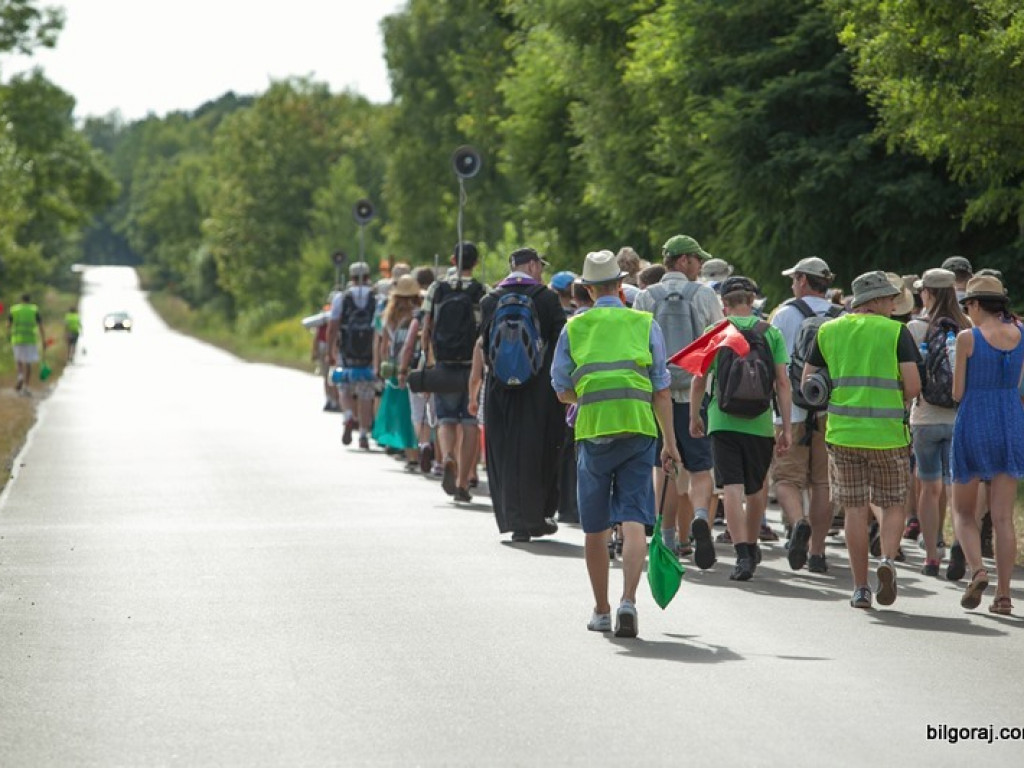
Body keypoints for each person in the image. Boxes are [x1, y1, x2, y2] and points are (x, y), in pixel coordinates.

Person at [551, 250, 682, 638]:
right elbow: (661, 390)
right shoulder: (644, 323)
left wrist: (589, 396)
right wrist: (670, 443)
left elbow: (561, 389)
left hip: (594, 431)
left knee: (595, 527)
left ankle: (602, 610)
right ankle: (628, 601)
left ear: (589, 290)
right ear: (620, 286)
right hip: (639, 428)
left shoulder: (575, 327)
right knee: (634, 517)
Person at [803, 270, 922, 610]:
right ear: (877, 301)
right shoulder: (896, 332)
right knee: (893, 503)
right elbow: (914, 386)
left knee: (855, 510)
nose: (893, 306)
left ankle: (860, 588)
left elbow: (808, 382)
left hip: (843, 434)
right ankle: (887, 559)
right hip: (888, 436)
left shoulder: (828, 330)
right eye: (890, 300)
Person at [690, 276, 792, 581]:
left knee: (731, 488)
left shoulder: (716, 332)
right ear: (752, 301)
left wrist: (694, 416)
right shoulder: (770, 332)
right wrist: (786, 427)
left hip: (722, 420)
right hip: (760, 422)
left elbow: (698, 379)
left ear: (724, 304)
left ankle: (742, 554)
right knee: (756, 487)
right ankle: (752, 541)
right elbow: (782, 383)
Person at [633, 234, 722, 569]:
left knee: (665, 467)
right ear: (684, 260)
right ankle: (699, 516)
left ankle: (667, 537)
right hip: (696, 396)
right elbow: (718, 344)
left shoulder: (646, 296)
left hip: (659, 397)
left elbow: (638, 348)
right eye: (697, 260)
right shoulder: (704, 295)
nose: (700, 267)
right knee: (700, 469)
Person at [479, 247, 566, 532]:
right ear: (531, 266)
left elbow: (485, 348)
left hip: (499, 387)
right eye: (540, 266)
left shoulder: (490, 300)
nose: (541, 272)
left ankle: (512, 519)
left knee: (503, 451)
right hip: (540, 387)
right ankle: (537, 516)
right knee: (539, 448)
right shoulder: (547, 298)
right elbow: (562, 344)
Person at [950, 275, 1023, 615]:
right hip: (1010, 419)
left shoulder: (968, 338)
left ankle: (978, 570)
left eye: (968, 305)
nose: (967, 311)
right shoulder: (1021, 334)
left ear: (977, 304)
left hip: (975, 420)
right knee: (1003, 517)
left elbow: (957, 393)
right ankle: (1004, 596)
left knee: (964, 512)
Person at [770, 257, 840, 573]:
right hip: (830, 410)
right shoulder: (842, 316)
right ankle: (817, 552)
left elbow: (775, 364)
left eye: (793, 279)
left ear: (802, 280)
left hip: (792, 410)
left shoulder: (785, 315)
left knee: (786, 478)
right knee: (823, 482)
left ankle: (799, 522)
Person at [906, 268, 967, 577]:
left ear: (928, 293)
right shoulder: (967, 326)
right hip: (959, 418)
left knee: (929, 488)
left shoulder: (916, 327)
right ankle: (960, 545)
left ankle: (931, 556)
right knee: (957, 488)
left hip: (925, 418)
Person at [420, 242, 487, 498]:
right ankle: (462, 482)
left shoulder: (437, 288)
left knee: (446, 419)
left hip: (444, 364)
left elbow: (426, 326)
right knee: (470, 423)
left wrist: (427, 361)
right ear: (476, 263)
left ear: (452, 260)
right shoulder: (481, 290)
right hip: (472, 367)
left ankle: (448, 455)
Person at [372, 275, 422, 468]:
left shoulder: (389, 316)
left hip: (394, 369)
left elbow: (384, 346)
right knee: (416, 413)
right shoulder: (419, 315)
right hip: (415, 366)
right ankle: (421, 451)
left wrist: (383, 366)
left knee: (401, 413)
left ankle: (410, 455)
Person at [328, 261, 377, 450]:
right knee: (366, 394)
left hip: (346, 353)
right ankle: (363, 434)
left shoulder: (341, 298)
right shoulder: (376, 297)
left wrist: (331, 350)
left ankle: (349, 416)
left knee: (344, 389)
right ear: (368, 276)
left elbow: (333, 326)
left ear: (351, 277)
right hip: (369, 354)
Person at [7, 293, 45, 396]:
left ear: (21, 300)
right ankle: (26, 386)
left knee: (18, 360)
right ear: (29, 300)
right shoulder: (34, 310)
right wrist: (43, 340)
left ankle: (20, 376)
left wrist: (8, 335)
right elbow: (41, 326)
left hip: (17, 338)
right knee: (28, 362)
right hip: (30, 339)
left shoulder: (14, 309)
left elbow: (8, 325)